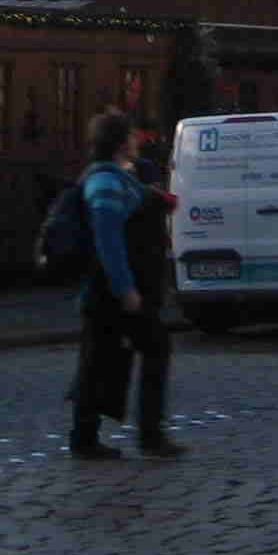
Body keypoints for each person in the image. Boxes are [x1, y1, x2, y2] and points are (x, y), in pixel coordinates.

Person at [69, 108, 184, 460]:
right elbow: (108, 240)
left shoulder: (115, 178)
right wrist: (125, 288)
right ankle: (146, 435)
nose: (137, 140)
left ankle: (87, 437)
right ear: (121, 142)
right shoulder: (105, 183)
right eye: (132, 135)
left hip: (108, 290)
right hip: (111, 291)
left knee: (97, 358)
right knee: (148, 348)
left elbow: (140, 199)